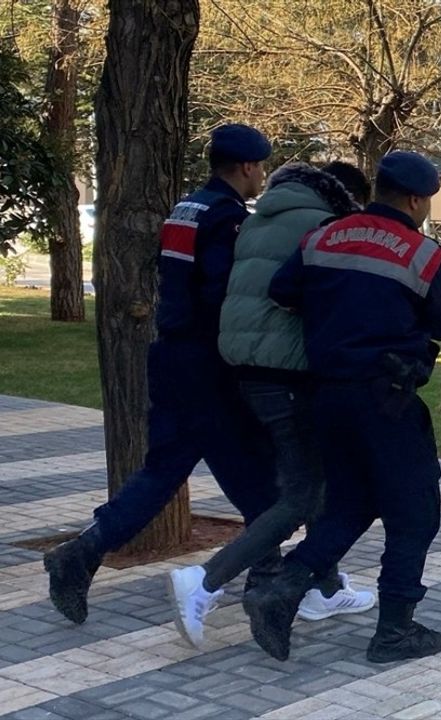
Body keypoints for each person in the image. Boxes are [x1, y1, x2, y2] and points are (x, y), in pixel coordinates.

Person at [43, 124, 281, 625]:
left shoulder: (186, 208)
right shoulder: (227, 218)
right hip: (207, 365)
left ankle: (82, 552)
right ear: (245, 167)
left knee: (164, 473)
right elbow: (222, 297)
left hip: (171, 356)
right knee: (257, 479)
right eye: (261, 167)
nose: (261, 176)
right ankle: (270, 584)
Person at [243, 150, 441, 664]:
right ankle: (394, 632)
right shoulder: (421, 253)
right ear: (415, 199)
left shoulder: (324, 236)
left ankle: (281, 592)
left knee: (351, 504)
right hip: (385, 398)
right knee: (415, 515)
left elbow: (282, 291)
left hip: (327, 397)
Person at [165, 161, 376, 650]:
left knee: (317, 482)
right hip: (288, 372)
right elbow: (314, 298)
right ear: (347, 198)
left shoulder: (260, 216)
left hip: (246, 368)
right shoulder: (323, 227)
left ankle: (322, 588)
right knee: (302, 495)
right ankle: (203, 580)